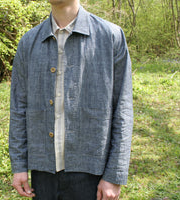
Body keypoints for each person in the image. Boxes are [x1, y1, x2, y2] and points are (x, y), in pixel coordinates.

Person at [9, 0, 133, 199]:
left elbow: (123, 109)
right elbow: (18, 108)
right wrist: (19, 165)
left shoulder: (110, 37)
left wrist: (114, 175)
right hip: (42, 172)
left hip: (93, 171)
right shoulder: (28, 42)